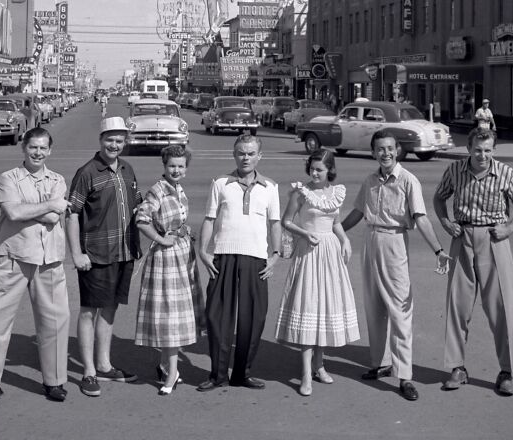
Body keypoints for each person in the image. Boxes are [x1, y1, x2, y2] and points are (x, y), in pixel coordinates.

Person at [340, 129, 451, 402]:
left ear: (398, 150)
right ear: (373, 152)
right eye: (380, 149)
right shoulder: (370, 181)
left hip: (394, 242)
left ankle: (405, 376)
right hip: (371, 241)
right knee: (374, 305)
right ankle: (382, 362)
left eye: (390, 148)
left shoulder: (407, 181)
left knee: (400, 310)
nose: (385, 153)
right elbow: (358, 211)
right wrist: (335, 233)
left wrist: (438, 249)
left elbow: (421, 218)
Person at [433, 127, 513, 396]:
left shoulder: (505, 173)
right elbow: (439, 197)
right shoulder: (455, 171)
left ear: (494, 150)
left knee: (501, 308)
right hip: (462, 238)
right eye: (478, 150)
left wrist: (509, 229)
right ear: (468, 149)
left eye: (488, 150)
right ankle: (457, 368)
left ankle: (506, 371)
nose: (482, 155)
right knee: (458, 306)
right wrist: (446, 222)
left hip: (494, 240)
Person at [0, 127, 70, 409]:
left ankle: (54, 381)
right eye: (33, 148)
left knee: (55, 322)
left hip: (49, 259)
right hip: (12, 258)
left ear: (50, 151)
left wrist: (42, 207)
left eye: (43, 148)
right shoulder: (9, 178)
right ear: (23, 148)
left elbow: (55, 216)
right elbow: (13, 212)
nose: (38, 153)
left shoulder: (58, 180)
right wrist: (49, 205)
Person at [197, 133, 281, 391]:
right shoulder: (221, 183)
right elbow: (210, 219)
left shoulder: (270, 187)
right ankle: (217, 375)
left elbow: (275, 223)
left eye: (251, 153)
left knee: (253, 319)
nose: (246, 157)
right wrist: (204, 251)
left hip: (256, 259)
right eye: (241, 153)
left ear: (259, 156)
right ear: (234, 155)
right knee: (217, 318)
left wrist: (276, 254)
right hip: (223, 257)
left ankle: (242, 373)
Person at [67, 116, 142, 397]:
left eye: (120, 140)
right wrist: (76, 253)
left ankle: (104, 364)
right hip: (95, 254)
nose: (114, 144)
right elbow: (72, 214)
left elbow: (138, 205)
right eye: (110, 139)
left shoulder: (127, 169)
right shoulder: (87, 172)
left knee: (110, 309)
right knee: (89, 311)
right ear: (100, 140)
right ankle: (88, 371)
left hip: (124, 252)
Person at [274, 149, 359, 396]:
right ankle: (304, 374)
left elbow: (335, 222)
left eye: (320, 169)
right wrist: (304, 233)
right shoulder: (301, 193)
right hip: (308, 252)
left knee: (325, 308)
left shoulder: (336, 193)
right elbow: (286, 221)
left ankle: (319, 366)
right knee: (309, 307)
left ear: (330, 170)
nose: (315, 173)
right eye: (312, 168)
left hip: (330, 253)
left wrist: (344, 240)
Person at [134, 145, 205, 396]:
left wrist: (184, 232)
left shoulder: (178, 189)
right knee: (170, 314)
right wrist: (163, 239)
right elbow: (141, 220)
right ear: (164, 166)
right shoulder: (158, 190)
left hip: (183, 254)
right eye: (172, 166)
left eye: (181, 166)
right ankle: (172, 372)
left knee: (173, 313)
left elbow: (179, 220)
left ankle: (166, 365)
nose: (176, 170)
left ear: (186, 169)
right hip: (167, 258)